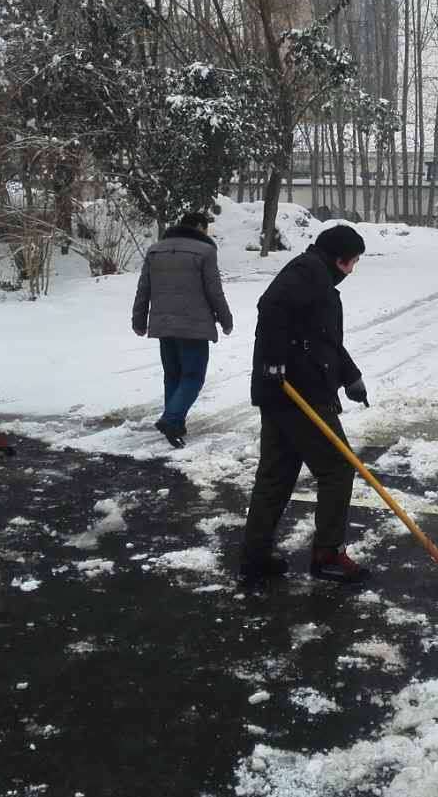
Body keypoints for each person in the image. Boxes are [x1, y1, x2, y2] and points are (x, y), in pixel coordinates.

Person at [240, 225, 370, 585]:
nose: (353, 270)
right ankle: (327, 554)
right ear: (340, 259)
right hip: (299, 393)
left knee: (277, 474)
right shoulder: (307, 273)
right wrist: (273, 365)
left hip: (286, 392)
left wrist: (350, 377)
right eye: (353, 262)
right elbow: (270, 308)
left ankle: (255, 555)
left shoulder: (317, 277)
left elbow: (322, 340)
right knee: (338, 468)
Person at [131, 211, 234, 448]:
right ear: (199, 227)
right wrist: (226, 320)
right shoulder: (205, 251)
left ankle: (175, 423)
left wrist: (139, 320)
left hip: (163, 325)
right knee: (193, 377)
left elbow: (143, 289)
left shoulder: (155, 250)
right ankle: (171, 419)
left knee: (173, 376)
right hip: (194, 326)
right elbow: (214, 291)